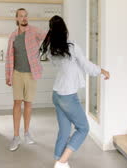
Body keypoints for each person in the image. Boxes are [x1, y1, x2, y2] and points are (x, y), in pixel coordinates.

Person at [40, 15, 110, 168]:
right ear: (64, 29)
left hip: (57, 94)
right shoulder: (72, 47)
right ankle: (62, 161)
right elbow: (87, 66)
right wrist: (102, 71)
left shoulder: (52, 49)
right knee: (83, 128)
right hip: (68, 96)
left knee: (64, 130)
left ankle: (58, 161)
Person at [5, 8, 46, 151]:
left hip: (31, 74)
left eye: (25, 16)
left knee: (28, 104)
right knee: (17, 103)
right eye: (21, 16)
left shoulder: (34, 31)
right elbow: (9, 57)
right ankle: (16, 136)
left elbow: (47, 37)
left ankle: (27, 133)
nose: (24, 18)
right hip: (17, 73)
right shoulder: (13, 36)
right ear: (16, 19)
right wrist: (7, 74)